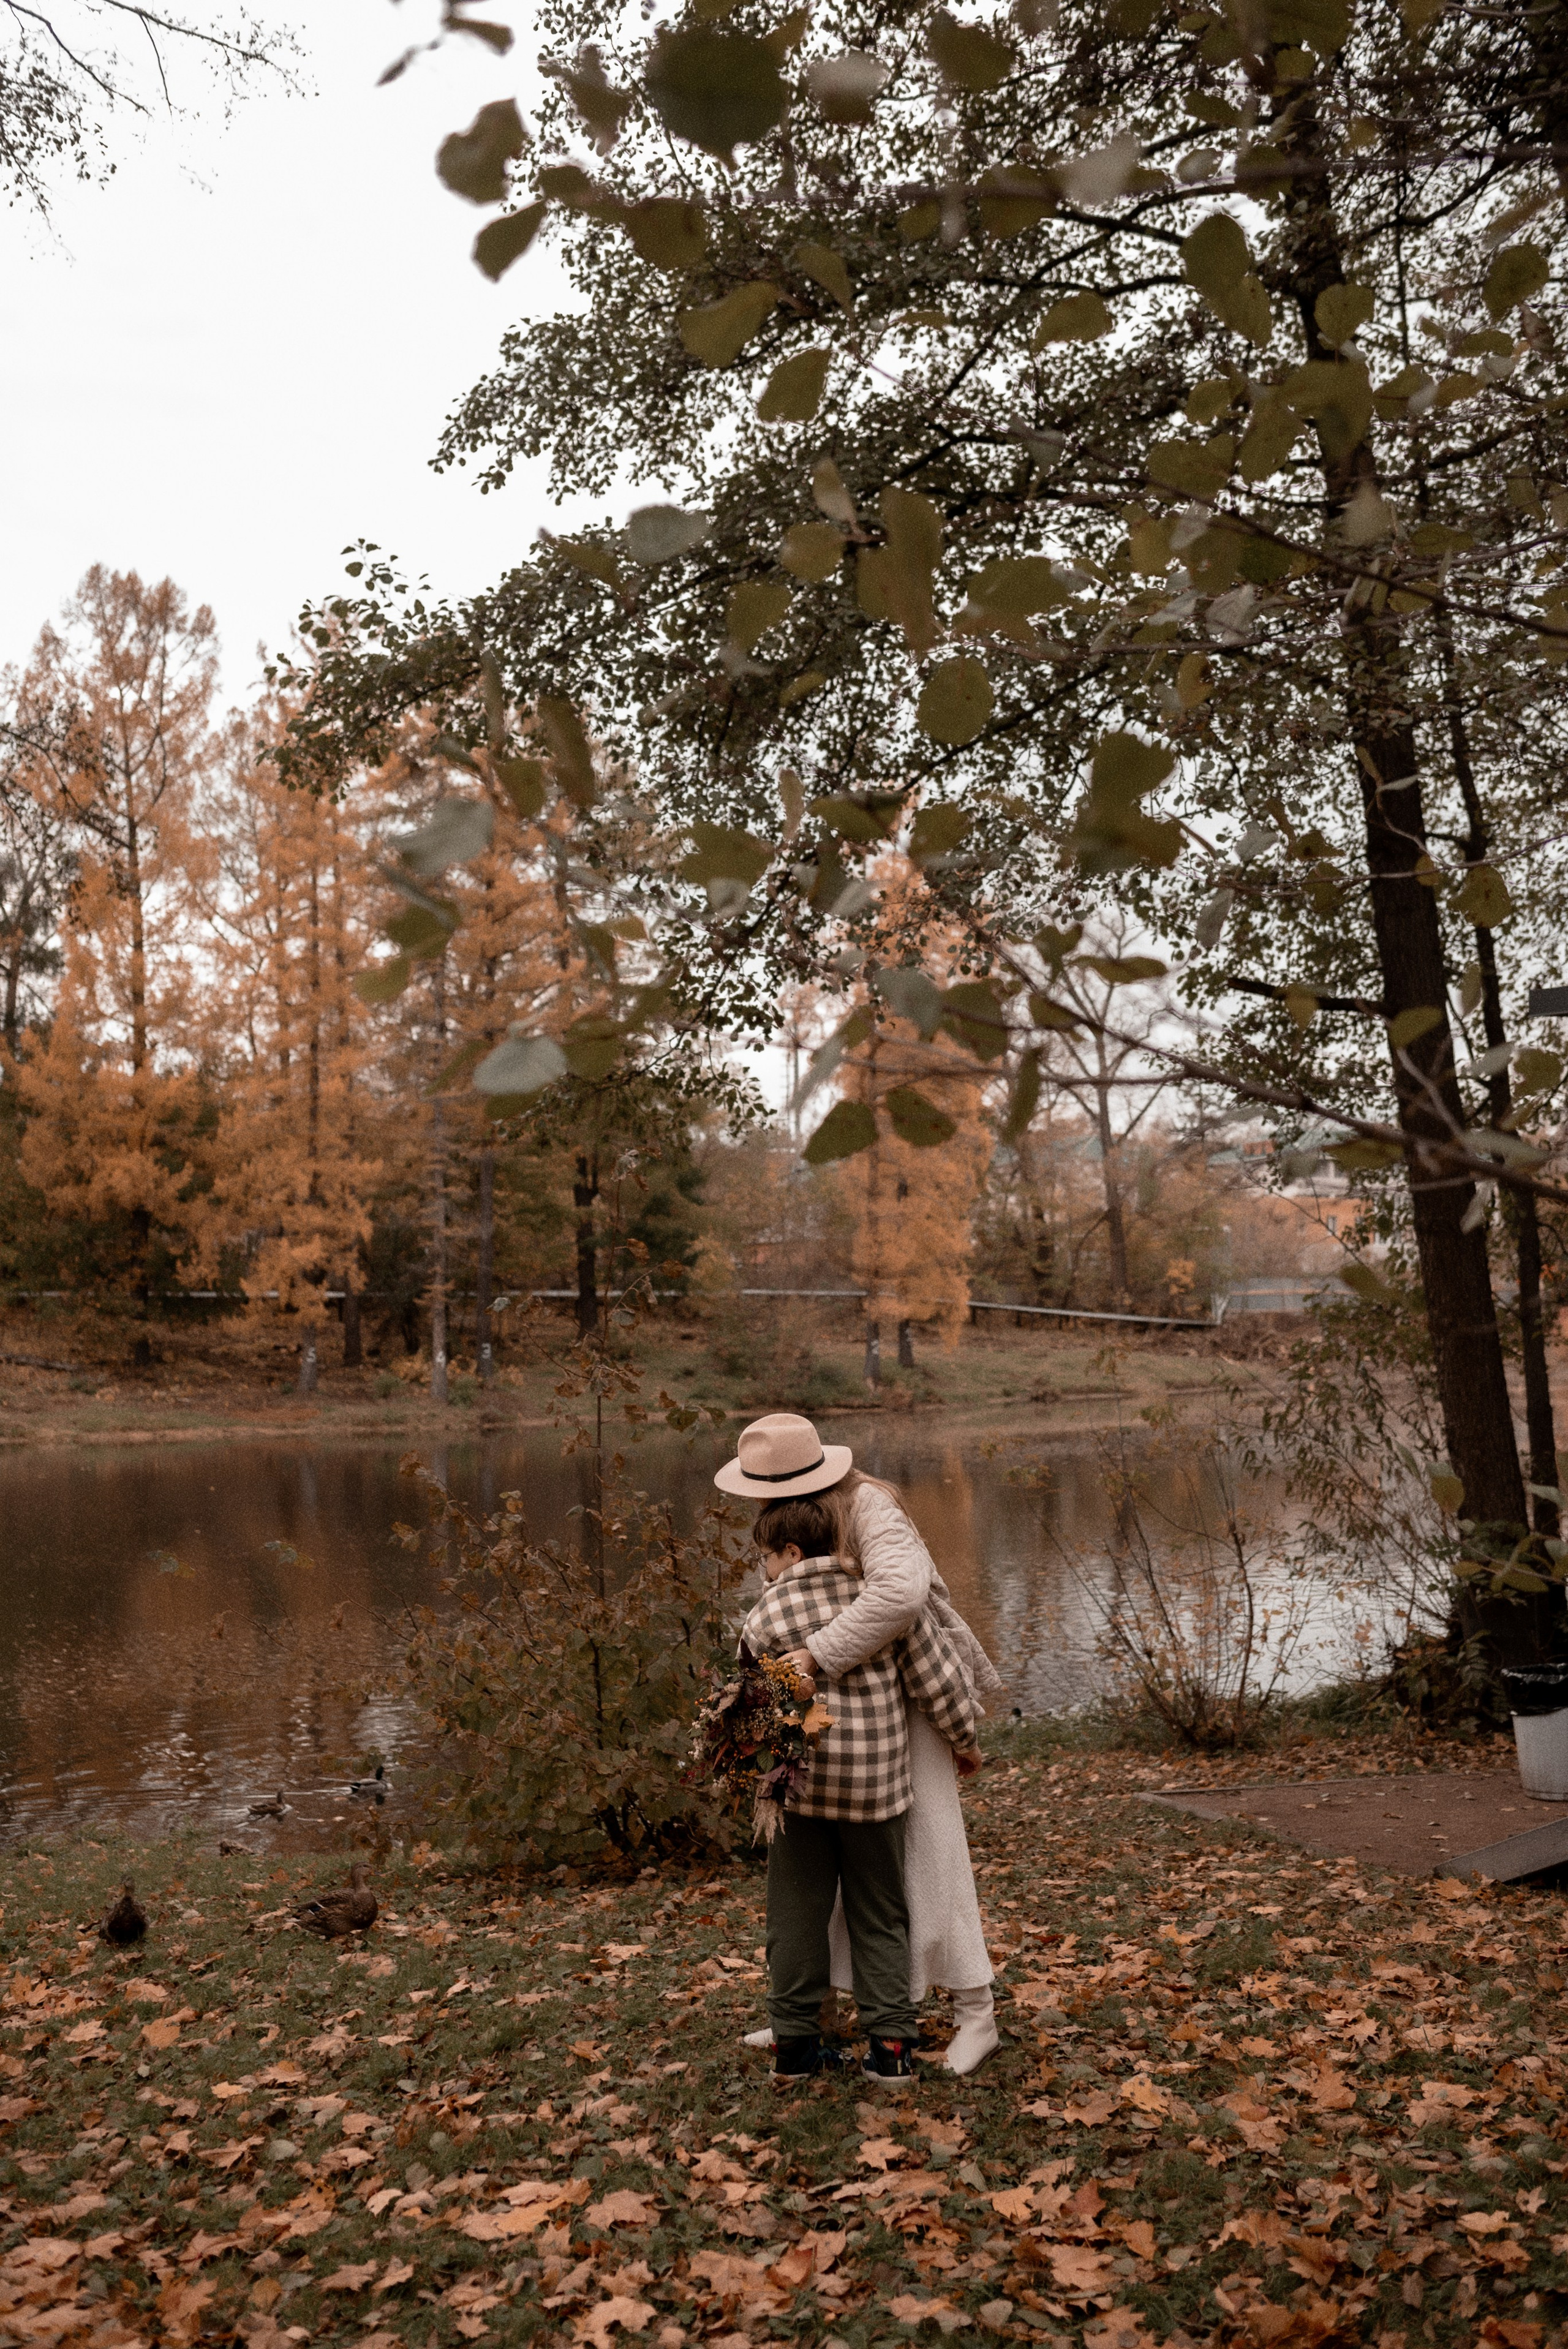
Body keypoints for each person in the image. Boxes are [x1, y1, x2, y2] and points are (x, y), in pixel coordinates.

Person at [715, 1411, 1002, 2075]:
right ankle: (822, 2022)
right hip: (860, 1724)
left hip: (903, 1701)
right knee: (863, 1890)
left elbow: (902, 1596)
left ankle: (973, 2012)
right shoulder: (800, 1528)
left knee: (928, 1859)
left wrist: (811, 1659)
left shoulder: (867, 1504)